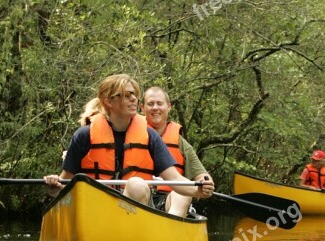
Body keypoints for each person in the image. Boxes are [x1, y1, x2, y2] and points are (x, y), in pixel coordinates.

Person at [43, 74, 214, 218]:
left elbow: (175, 179)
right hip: (96, 212)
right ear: (108, 102)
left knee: (136, 184)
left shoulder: (150, 136)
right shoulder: (84, 136)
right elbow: (63, 184)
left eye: (134, 94)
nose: (133, 98)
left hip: (133, 217)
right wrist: (53, 187)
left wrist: (198, 191)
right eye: (126, 95)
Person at [140, 86, 214, 217]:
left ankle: (169, 231)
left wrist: (205, 182)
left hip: (168, 201)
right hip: (140, 198)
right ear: (142, 108)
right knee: (136, 187)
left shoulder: (181, 143)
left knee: (182, 194)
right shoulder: (130, 136)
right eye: (150, 104)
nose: (155, 108)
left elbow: (201, 174)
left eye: (159, 103)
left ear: (168, 107)